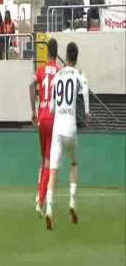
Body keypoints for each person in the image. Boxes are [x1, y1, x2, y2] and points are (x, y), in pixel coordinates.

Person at [45, 42, 91, 230]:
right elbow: (85, 88)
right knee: (73, 163)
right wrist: (87, 112)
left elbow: (51, 107)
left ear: (66, 55)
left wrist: (55, 108)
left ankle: (49, 209)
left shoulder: (57, 76)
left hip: (57, 128)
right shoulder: (78, 74)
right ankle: (72, 202)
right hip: (71, 127)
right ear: (77, 57)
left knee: (53, 172)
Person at [29, 38, 61, 217]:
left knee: (44, 160)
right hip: (54, 120)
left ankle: (38, 195)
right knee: (50, 162)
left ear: (47, 53)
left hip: (41, 119)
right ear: (57, 55)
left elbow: (30, 83)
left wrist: (33, 110)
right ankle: (41, 201)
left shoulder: (40, 71)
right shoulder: (60, 72)